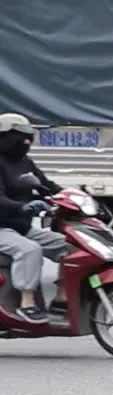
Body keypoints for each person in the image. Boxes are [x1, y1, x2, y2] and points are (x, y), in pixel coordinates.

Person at [0, 113, 66, 325]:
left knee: (72, 247)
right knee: (30, 249)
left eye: (30, 138)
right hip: (2, 228)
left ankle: (62, 297)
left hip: (22, 228)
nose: (27, 142)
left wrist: (72, 196)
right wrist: (22, 207)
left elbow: (46, 186)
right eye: (21, 137)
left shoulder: (25, 162)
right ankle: (27, 304)